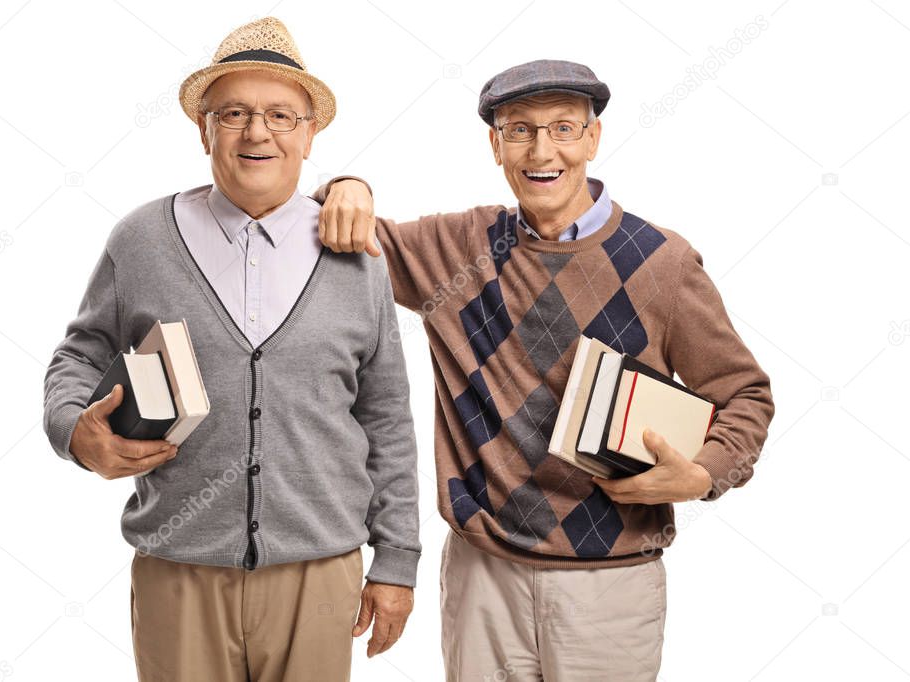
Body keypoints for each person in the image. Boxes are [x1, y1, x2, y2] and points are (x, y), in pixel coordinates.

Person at [317, 59, 775, 680]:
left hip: (612, 585)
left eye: (562, 128)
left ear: (592, 139)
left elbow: (744, 394)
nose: (542, 149)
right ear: (495, 145)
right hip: (483, 576)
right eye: (520, 130)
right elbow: (344, 231)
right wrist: (346, 184)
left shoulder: (661, 263)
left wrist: (701, 476)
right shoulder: (459, 248)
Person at [43, 17, 419, 682]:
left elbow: (385, 418)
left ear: (309, 134)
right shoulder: (142, 240)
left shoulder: (356, 255)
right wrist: (76, 432)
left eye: (280, 114)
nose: (256, 132)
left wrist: (396, 561)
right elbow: (79, 356)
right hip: (177, 567)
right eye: (234, 112)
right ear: (203, 129)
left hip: (319, 570)